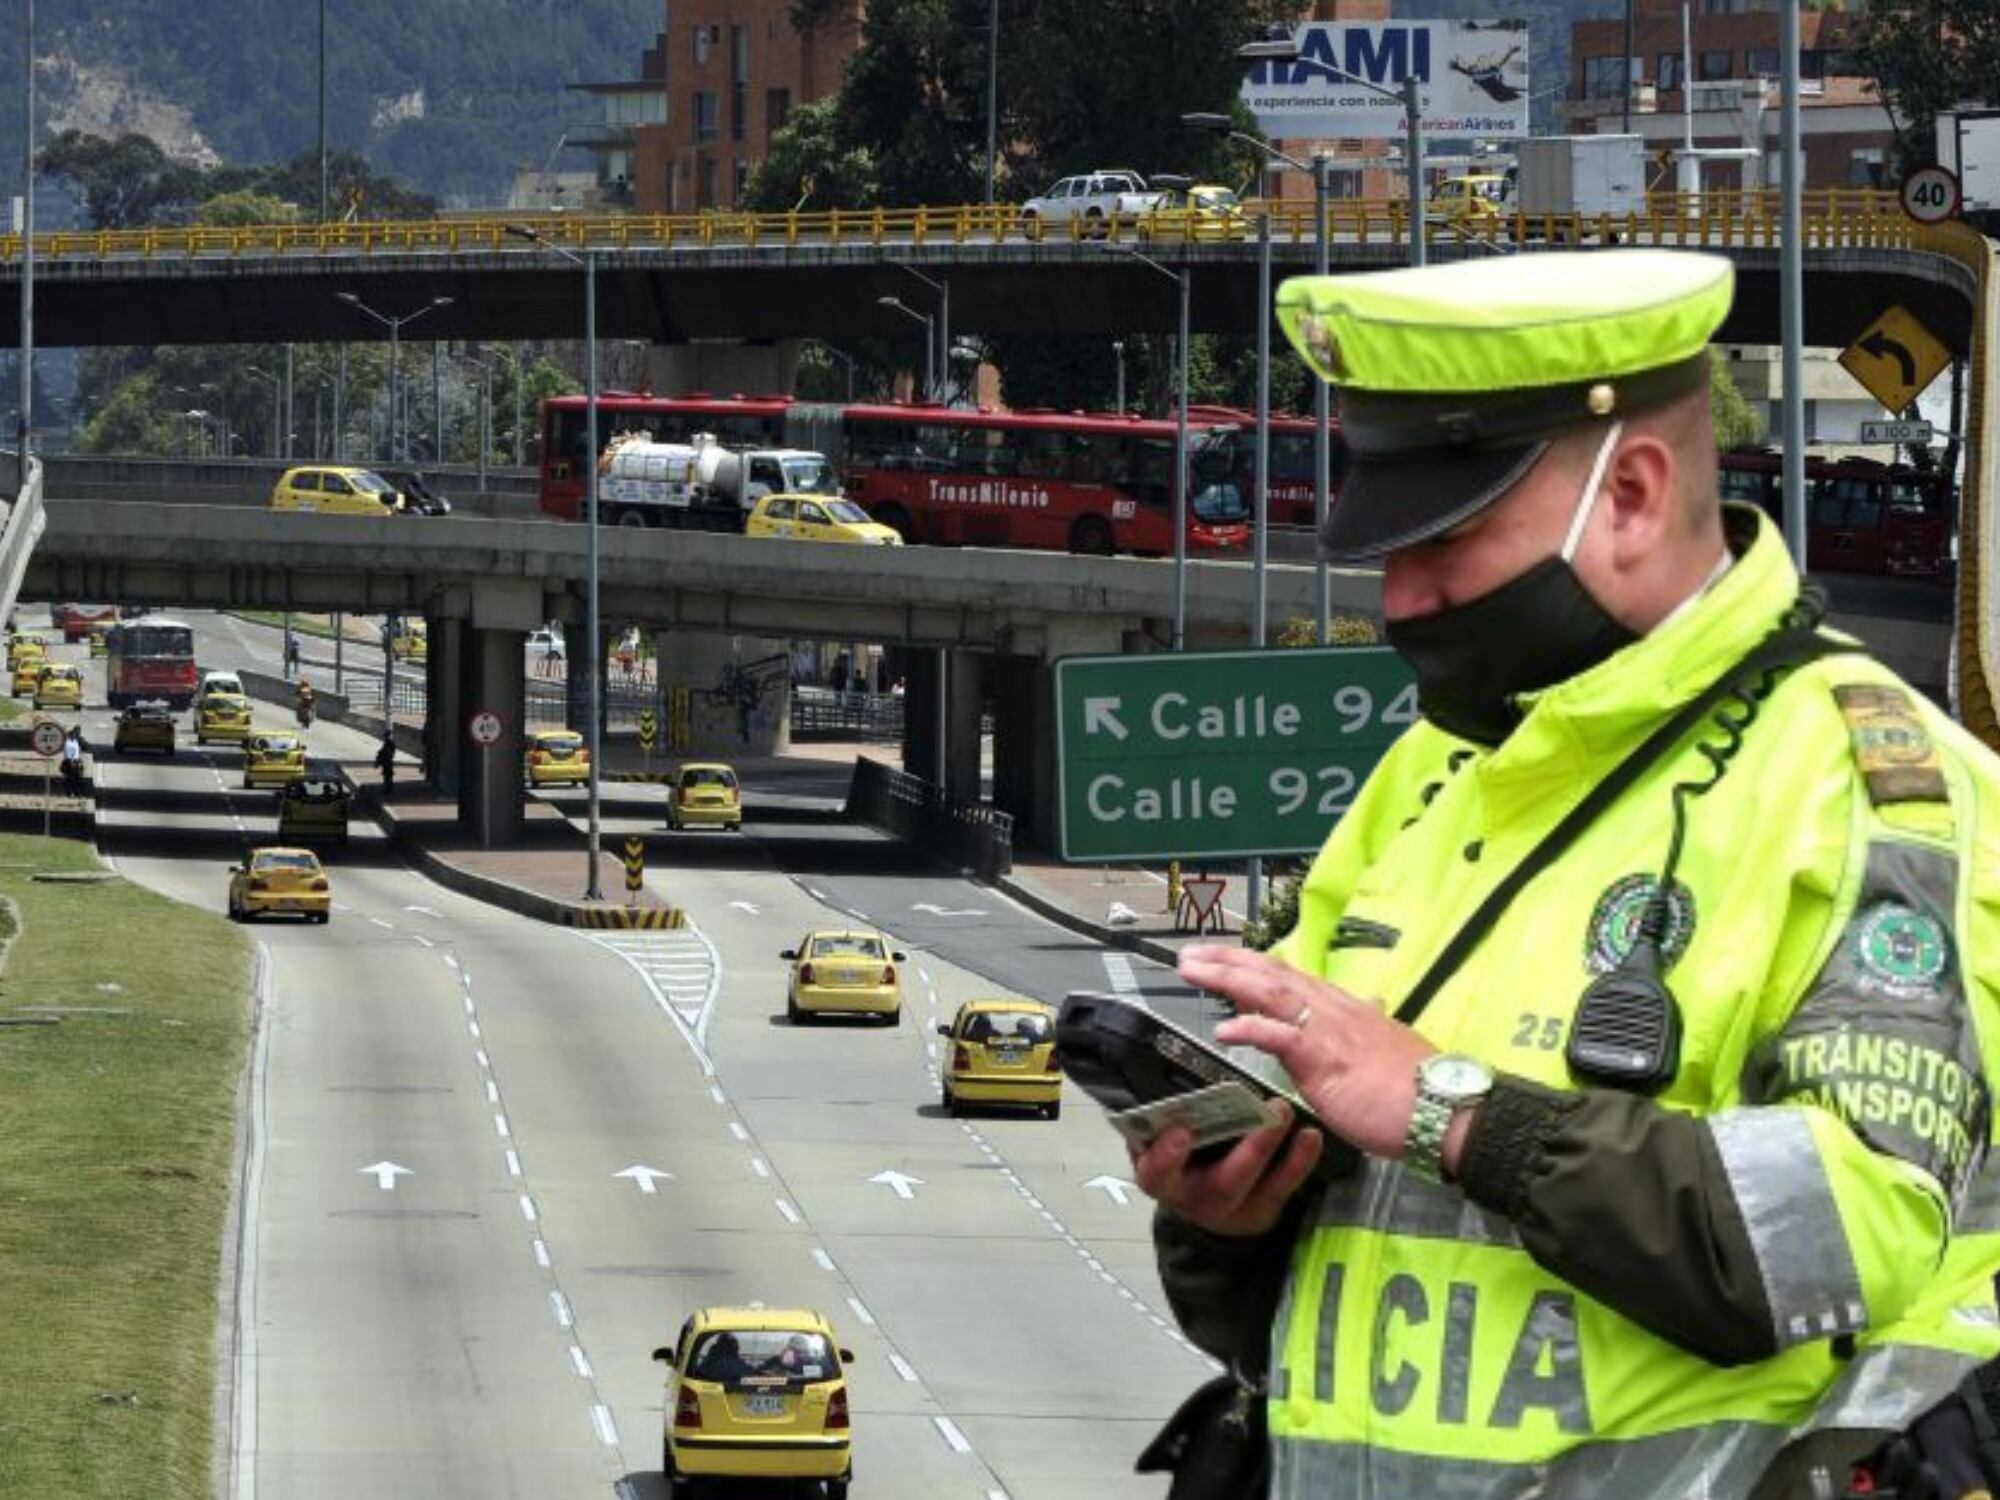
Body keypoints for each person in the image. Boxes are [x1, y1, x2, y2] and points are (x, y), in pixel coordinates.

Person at [1135, 250, 2000, 1500]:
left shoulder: (1870, 791)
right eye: (1381, 546)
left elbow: (1841, 1238)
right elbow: (1350, 1295)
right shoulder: (1433, 773)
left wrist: (1452, 1110)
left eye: (1446, 538)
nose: (1399, 596)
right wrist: (1226, 1220)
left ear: (1632, 492)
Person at [59, 726, 83, 795]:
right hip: (70, 763)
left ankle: (76, 792)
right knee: (70, 779)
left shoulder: (75, 742)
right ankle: (69, 793)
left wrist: (79, 762)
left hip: (76, 762)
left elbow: (77, 752)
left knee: (77, 779)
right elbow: (68, 754)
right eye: (73, 735)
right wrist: (72, 763)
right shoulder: (68, 743)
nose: (75, 736)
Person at [374, 732, 396, 797]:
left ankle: (389, 788)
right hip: (386, 761)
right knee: (386, 775)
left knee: (388, 775)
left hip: (388, 761)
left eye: (386, 736)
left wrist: (381, 755)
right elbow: (383, 751)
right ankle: (387, 787)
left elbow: (388, 752)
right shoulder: (387, 743)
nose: (385, 738)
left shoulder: (390, 743)